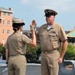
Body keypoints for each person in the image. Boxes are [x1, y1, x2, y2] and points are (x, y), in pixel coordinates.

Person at [30, 9, 68, 75]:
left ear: (53, 17)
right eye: (46, 16)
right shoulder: (42, 28)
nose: (47, 18)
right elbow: (35, 39)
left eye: (49, 16)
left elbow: (65, 42)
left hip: (53, 55)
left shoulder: (58, 27)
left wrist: (61, 57)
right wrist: (33, 29)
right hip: (44, 55)